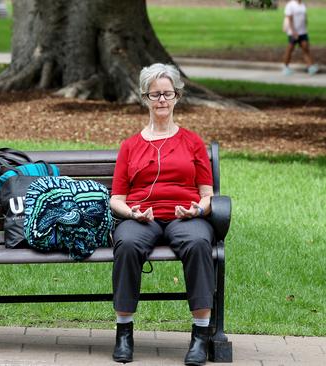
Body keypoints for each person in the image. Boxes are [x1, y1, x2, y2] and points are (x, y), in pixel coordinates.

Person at [110, 63, 215, 366]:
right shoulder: (130, 146)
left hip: (187, 216)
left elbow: (208, 195)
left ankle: (200, 336)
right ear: (144, 98)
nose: (161, 101)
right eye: (155, 95)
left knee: (197, 244)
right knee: (127, 244)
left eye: (168, 94)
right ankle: (124, 332)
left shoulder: (192, 141)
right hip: (143, 217)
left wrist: (197, 209)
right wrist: (133, 212)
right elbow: (116, 199)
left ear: (178, 97)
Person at [282, 0, 319, 76]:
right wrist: (293, 31)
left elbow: (304, 17)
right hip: (293, 32)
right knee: (290, 49)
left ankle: (310, 67)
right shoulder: (290, 5)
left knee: (305, 48)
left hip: (303, 32)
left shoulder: (303, 4)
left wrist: (306, 27)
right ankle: (285, 67)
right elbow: (289, 19)